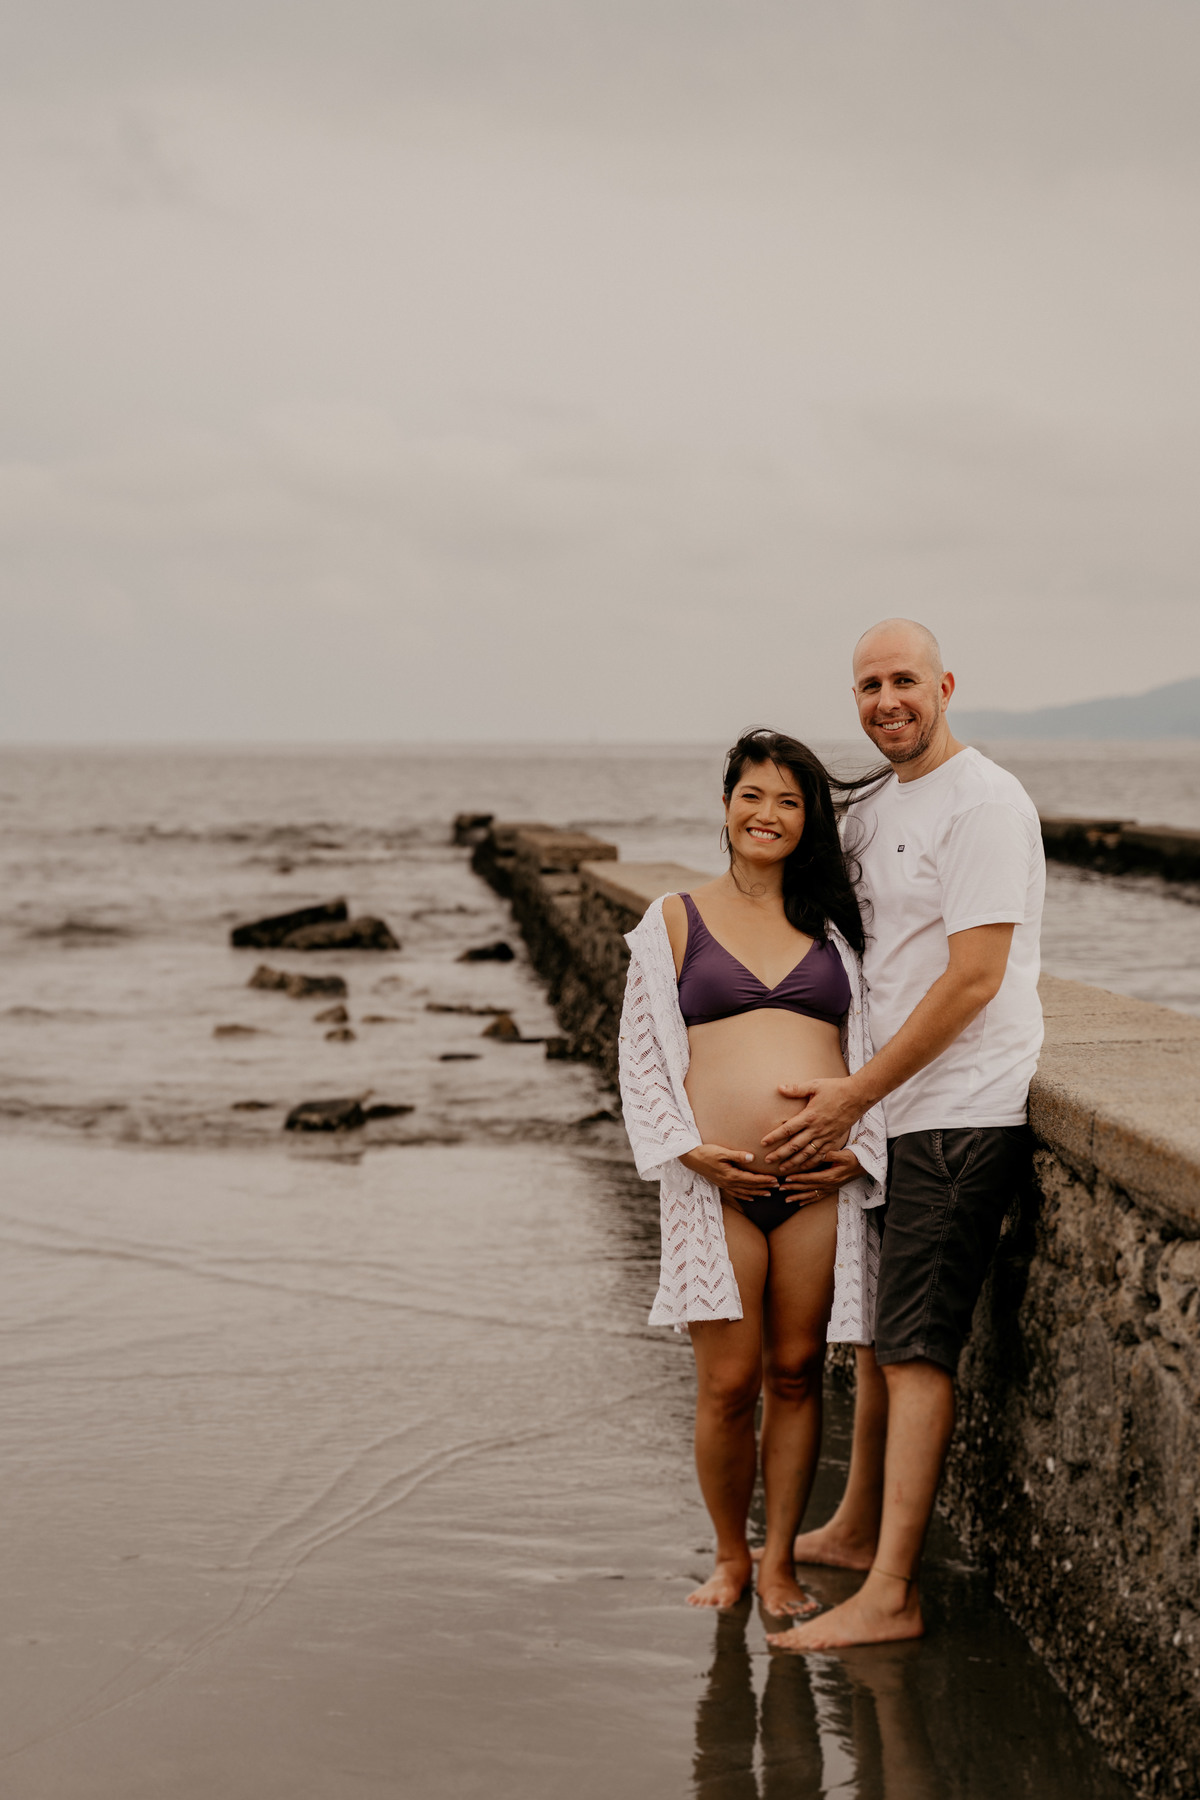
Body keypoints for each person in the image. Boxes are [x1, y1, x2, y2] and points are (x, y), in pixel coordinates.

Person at [761, 618, 1045, 1650]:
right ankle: (849, 1528)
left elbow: (972, 978)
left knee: (920, 1349)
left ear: (946, 685)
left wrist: (851, 1095)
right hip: (896, 1114)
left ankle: (892, 1591)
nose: (888, 700)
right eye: (870, 684)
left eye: (906, 681)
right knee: (880, 1339)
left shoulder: (983, 804)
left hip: (963, 1107)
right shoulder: (875, 807)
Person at [618, 729, 888, 1616]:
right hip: (714, 1186)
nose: (765, 815)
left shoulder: (838, 929)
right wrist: (688, 1150)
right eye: (751, 796)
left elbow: (872, 1051)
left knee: (799, 1372)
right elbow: (643, 1058)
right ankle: (731, 1557)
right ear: (726, 803)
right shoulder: (673, 919)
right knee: (730, 1385)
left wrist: (858, 1148)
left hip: (816, 1185)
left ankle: (779, 1564)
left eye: (787, 801)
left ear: (805, 820)